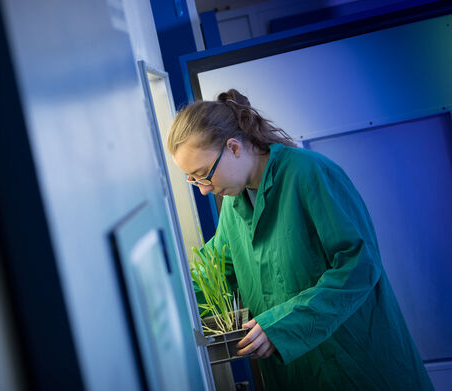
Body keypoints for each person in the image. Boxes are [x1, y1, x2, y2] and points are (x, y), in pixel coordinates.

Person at [167, 89, 434, 390]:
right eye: (193, 180)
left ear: (234, 147)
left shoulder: (310, 173)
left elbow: (359, 266)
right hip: (298, 374)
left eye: (203, 175)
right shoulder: (234, 205)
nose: (203, 189)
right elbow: (214, 274)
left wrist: (284, 327)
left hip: (358, 365)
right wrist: (166, 306)